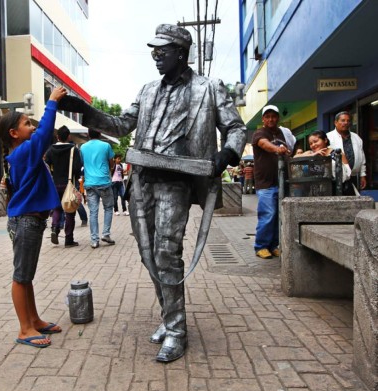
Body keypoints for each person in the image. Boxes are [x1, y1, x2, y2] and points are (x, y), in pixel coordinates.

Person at [58, 24, 246, 362]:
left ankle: (176, 330)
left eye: (163, 49)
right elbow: (119, 125)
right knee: (148, 254)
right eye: (154, 49)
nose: (156, 54)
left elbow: (235, 127)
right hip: (141, 179)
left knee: (166, 253)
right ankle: (168, 315)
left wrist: (228, 155)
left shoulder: (208, 88)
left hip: (178, 180)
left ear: (181, 52)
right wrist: (84, 110)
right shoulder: (146, 90)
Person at [0, 85, 67, 348]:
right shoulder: (25, 151)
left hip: (29, 220)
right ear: (14, 133)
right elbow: (45, 133)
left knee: (26, 276)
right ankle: (24, 329)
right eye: (28, 123)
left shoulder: (20, 154)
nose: (33, 127)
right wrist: (51, 102)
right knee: (21, 277)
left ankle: (34, 320)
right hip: (26, 220)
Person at [252, 105, 291, 260]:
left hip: (281, 182)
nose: (270, 119)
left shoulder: (281, 133)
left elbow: (289, 150)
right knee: (268, 214)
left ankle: (273, 245)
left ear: (278, 118)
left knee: (277, 216)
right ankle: (260, 246)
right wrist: (276, 149)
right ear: (263, 119)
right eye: (267, 116)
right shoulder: (259, 133)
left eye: (273, 116)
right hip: (265, 184)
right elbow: (264, 144)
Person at [44, 126, 82, 247]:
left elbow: (46, 165)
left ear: (58, 137)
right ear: (69, 136)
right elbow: (77, 168)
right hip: (69, 184)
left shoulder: (51, 150)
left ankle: (55, 228)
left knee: (57, 208)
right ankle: (68, 239)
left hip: (55, 184)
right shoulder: (73, 150)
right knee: (69, 211)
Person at [80, 129, 115, 249]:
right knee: (108, 208)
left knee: (93, 212)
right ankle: (106, 234)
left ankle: (94, 240)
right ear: (100, 134)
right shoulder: (106, 146)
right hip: (104, 182)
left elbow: (82, 163)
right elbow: (111, 163)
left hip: (89, 183)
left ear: (88, 134)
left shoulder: (83, 147)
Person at [326, 111, 367, 195]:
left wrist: (362, 175)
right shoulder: (328, 137)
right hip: (336, 178)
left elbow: (362, 157)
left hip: (354, 177)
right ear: (335, 122)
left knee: (354, 202)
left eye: (348, 121)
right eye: (343, 120)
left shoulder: (356, 137)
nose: (346, 123)